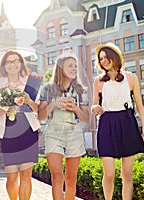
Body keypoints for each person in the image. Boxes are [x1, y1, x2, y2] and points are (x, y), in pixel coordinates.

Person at [91, 42, 144, 200]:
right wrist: (94, 108)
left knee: (127, 174)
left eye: (106, 57)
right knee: (109, 173)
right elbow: (94, 104)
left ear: (114, 57)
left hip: (126, 122)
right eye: (100, 58)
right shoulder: (98, 81)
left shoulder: (131, 78)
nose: (103, 61)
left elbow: (139, 104)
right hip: (106, 123)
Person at [38, 52, 89, 200]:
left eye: (75, 66)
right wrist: (54, 104)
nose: (74, 69)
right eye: (70, 66)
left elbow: (86, 118)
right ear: (61, 68)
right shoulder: (47, 89)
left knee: (71, 178)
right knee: (57, 177)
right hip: (53, 133)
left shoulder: (81, 90)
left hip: (74, 134)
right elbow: (40, 116)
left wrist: (75, 109)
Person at [0, 50, 41, 200]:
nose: (12, 65)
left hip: (28, 128)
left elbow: (38, 110)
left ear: (21, 64)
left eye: (15, 61)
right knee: (12, 176)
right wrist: (4, 108)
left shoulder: (31, 82)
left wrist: (28, 100)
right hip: (9, 130)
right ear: (4, 65)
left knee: (26, 174)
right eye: (9, 62)